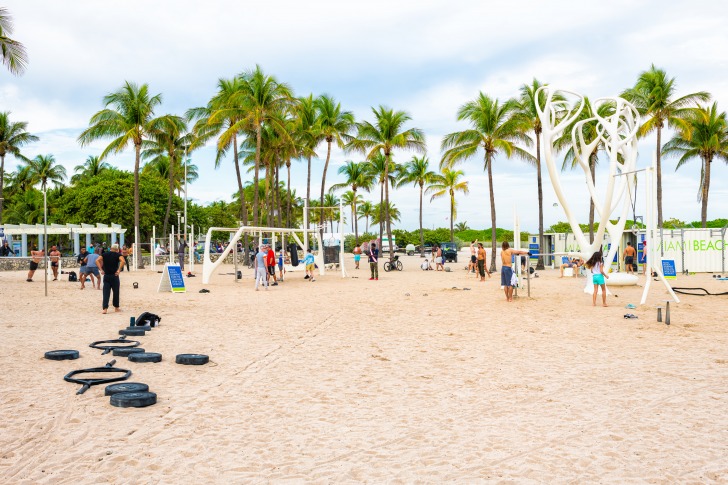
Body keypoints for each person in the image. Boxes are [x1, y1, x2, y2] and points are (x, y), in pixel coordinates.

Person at [96, 243, 125, 313]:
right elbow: (123, 261)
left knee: (106, 293)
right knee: (116, 292)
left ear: (111, 248)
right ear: (117, 249)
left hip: (106, 276)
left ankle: (105, 309)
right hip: (114, 276)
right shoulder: (118, 255)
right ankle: (116, 308)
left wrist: (101, 270)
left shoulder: (105, 254)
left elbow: (97, 260)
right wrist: (119, 270)